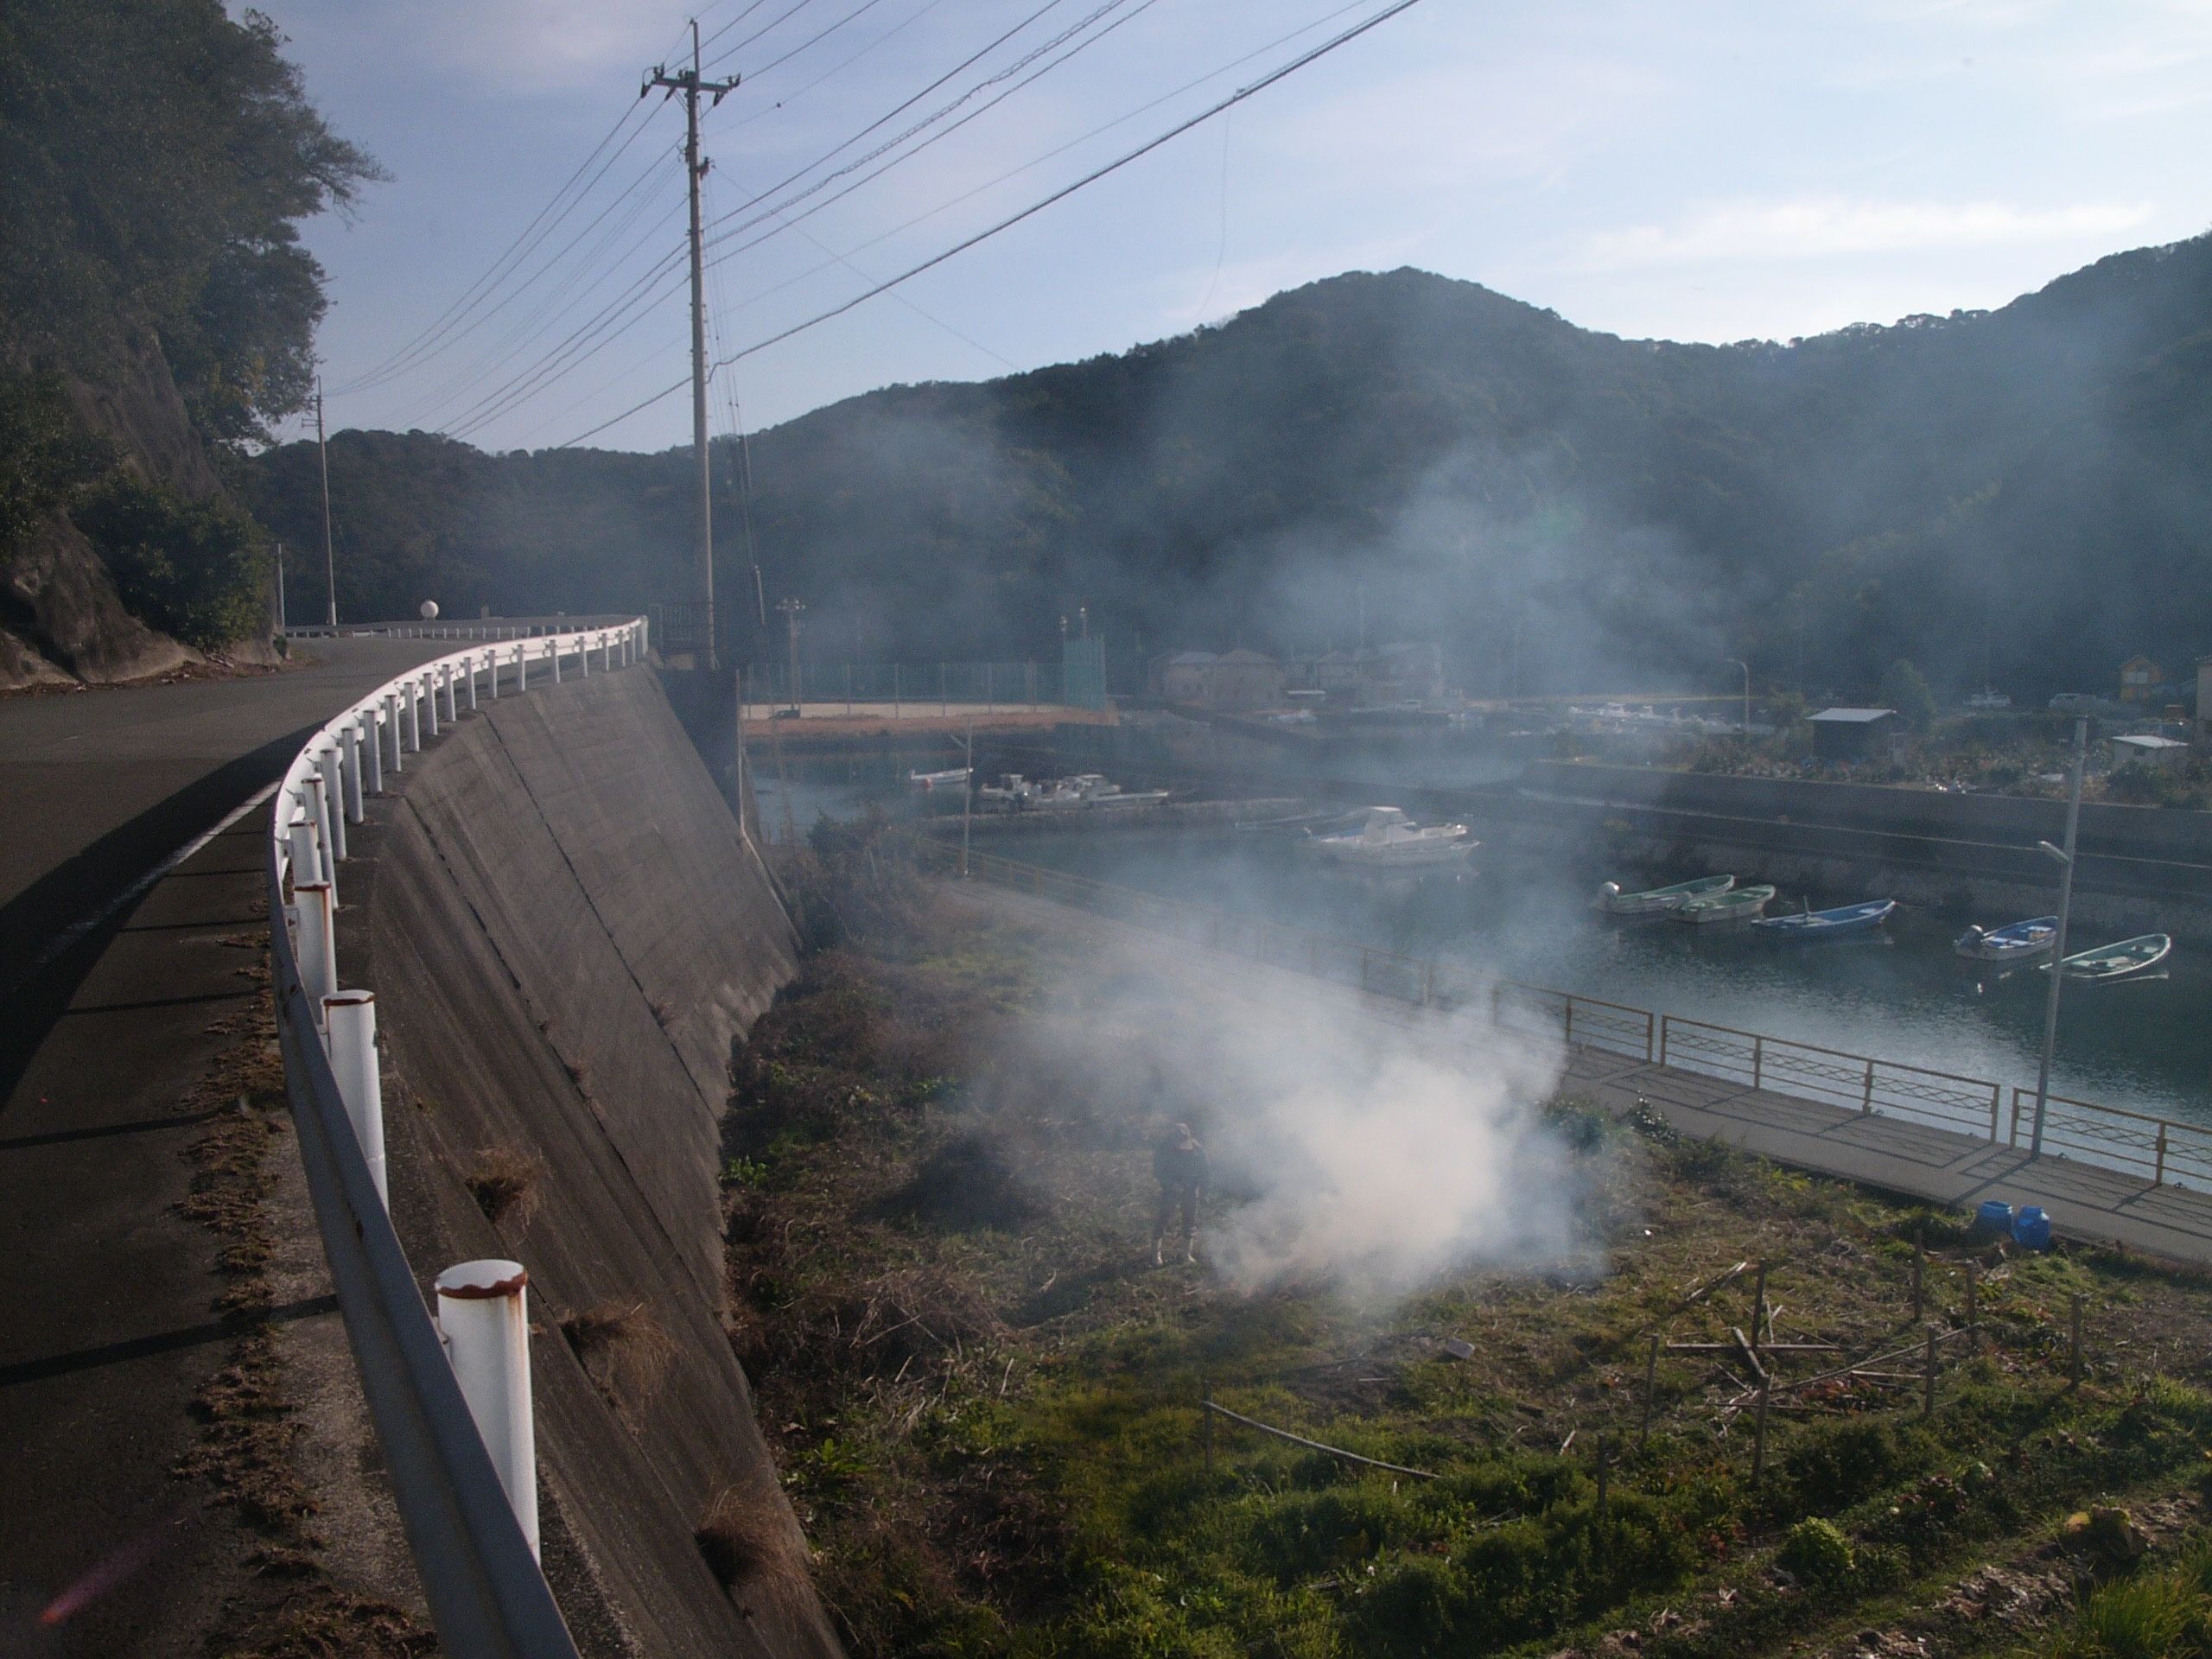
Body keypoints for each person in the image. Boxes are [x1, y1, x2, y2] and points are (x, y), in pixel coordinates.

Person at [1152, 1122, 1208, 1266]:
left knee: (1189, 1221)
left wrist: (1203, 1192)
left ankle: (1186, 1255)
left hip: (1191, 1190)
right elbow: (1158, 1171)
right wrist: (1172, 1184)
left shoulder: (1197, 1150)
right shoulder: (1164, 1149)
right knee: (1163, 1219)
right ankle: (1156, 1255)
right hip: (1171, 1190)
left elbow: (1205, 1172)